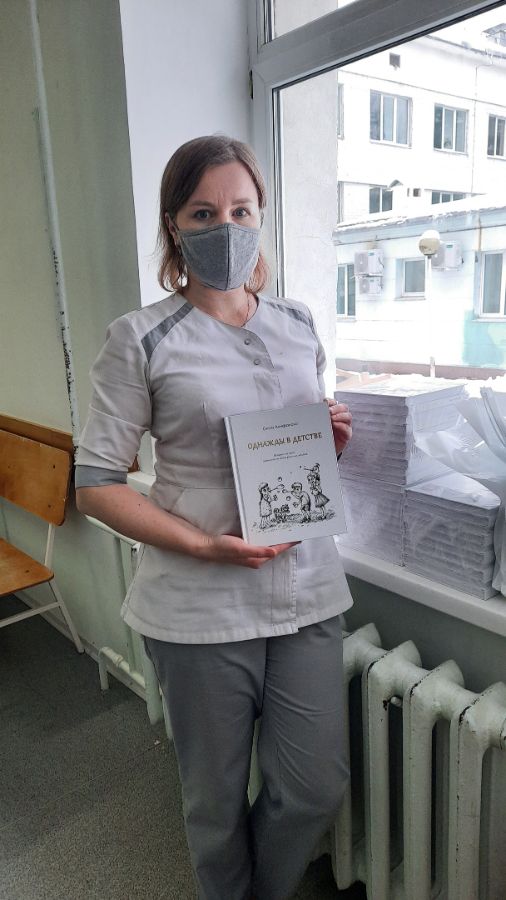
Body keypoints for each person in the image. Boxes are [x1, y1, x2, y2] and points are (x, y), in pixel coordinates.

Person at [75, 134, 353, 900]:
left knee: (314, 787)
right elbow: (95, 485)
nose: (225, 227)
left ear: (261, 216)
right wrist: (204, 544)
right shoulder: (140, 337)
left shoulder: (297, 323)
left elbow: (293, 449)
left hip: (305, 590)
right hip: (199, 604)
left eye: (241, 210)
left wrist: (325, 443)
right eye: (203, 212)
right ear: (174, 224)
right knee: (215, 802)